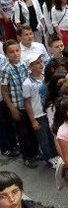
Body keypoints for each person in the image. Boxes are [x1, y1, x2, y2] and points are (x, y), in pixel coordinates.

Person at [1, 40, 39, 168]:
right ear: (6, 54)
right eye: (11, 52)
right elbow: (4, 91)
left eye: (17, 50)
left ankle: (35, 152)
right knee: (23, 133)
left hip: (29, 105)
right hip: (18, 107)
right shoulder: (6, 70)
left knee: (32, 130)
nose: (15, 54)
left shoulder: (24, 65)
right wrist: (12, 108)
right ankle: (27, 156)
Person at [23, 53, 58, 167]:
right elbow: (27, 103)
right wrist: (33, 120)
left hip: (48, 112)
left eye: (41, 62)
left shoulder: (45, 77)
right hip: (38, 115)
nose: (40, 64)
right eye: (37, 63)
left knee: (52, 135)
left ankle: (56, 155)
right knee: (44, 139)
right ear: (30, 67)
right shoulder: (27, 83)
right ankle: (49, 158)